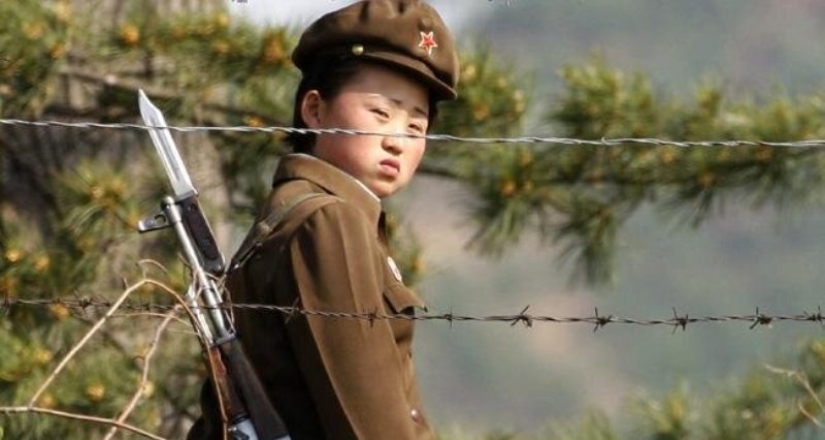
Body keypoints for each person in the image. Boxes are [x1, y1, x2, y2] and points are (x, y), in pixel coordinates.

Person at [188, 1, 459, 438]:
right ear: (315, 110)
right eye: (381, 113)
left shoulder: (304, 211)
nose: (397, 140)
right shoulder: (327, 221)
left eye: (416, 126)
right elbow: (368, 423)